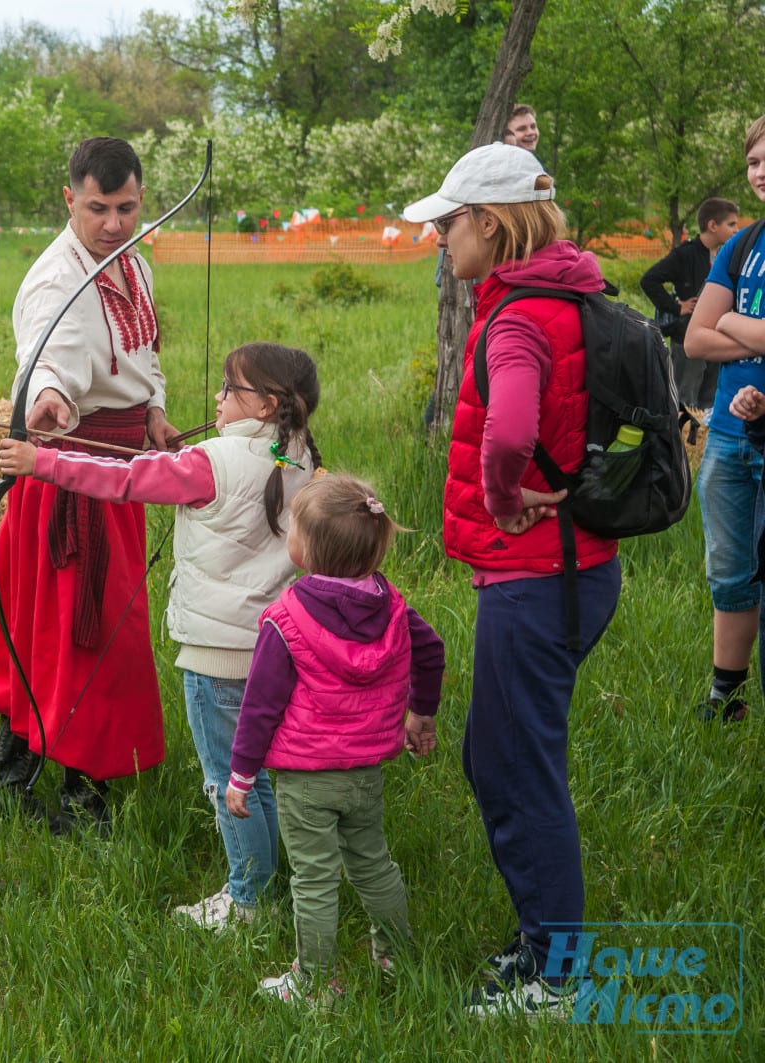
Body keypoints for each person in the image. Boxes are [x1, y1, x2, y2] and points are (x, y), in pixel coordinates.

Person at [401, 142, 622, 1017]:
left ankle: (556, 977)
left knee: (514, 766)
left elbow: (509, 430)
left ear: (489, 225)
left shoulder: (521, 317)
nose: (439, 240)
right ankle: (542, 940)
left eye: (447, 224)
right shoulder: (573, 291)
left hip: (537, 575)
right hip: (575, 567)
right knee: (508, 756)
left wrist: (502, 496)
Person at [0, 342, 320, 923]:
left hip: (216, 659)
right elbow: (229, 476)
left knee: (227, 781)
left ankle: (246, 899)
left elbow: (123, 479)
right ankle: (268, 883)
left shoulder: (210, 465)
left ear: (268, 404)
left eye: (231, 389)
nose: (218, 397)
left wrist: (39, 462)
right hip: (274, 651)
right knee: (257, 775)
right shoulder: (298, 455)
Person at [0, 136, 179, 834]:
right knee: (77, 640)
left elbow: (141, 356)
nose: (114, 223)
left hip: (118, 474)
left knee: (73, 637)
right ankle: (76, 806)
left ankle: (15, 783)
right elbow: (44, 359)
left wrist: (153, 411)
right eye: (98, 208)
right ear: (68, 200)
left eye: (127, 207)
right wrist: (47, 400)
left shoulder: (134, 263)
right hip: (67, 477)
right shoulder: (57, 279)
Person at [223, 475, 443, 1007]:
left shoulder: (286, 620)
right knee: (373, 862)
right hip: (365, 772)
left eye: (294, 527)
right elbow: (431, 650)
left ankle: (316, 984)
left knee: (315, 879)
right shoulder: (391, 606)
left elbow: (259, 706)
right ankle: (396, 955)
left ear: (306, 551)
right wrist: (421, 715)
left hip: (304, 781)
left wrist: (240, 776)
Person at [683, 113, 765, 723]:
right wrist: (754, 331)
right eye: (754, 162)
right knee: (730, 574)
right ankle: (726, 697)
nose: (761, 173)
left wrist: (729, 324)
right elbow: (694, 339)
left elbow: (717, 326)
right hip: (730, 439)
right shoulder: (742, 245)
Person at [639, 197, 740, 411]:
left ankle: (702, 438)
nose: (736, 230)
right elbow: (649, 280)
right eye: (731, 224)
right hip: (687, 336)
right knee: (685, 399)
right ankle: (684, 441)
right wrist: (678, 307)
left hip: (717, 337)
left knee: (709, 399)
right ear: (713, 225)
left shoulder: (725, 255)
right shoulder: (685, 254)